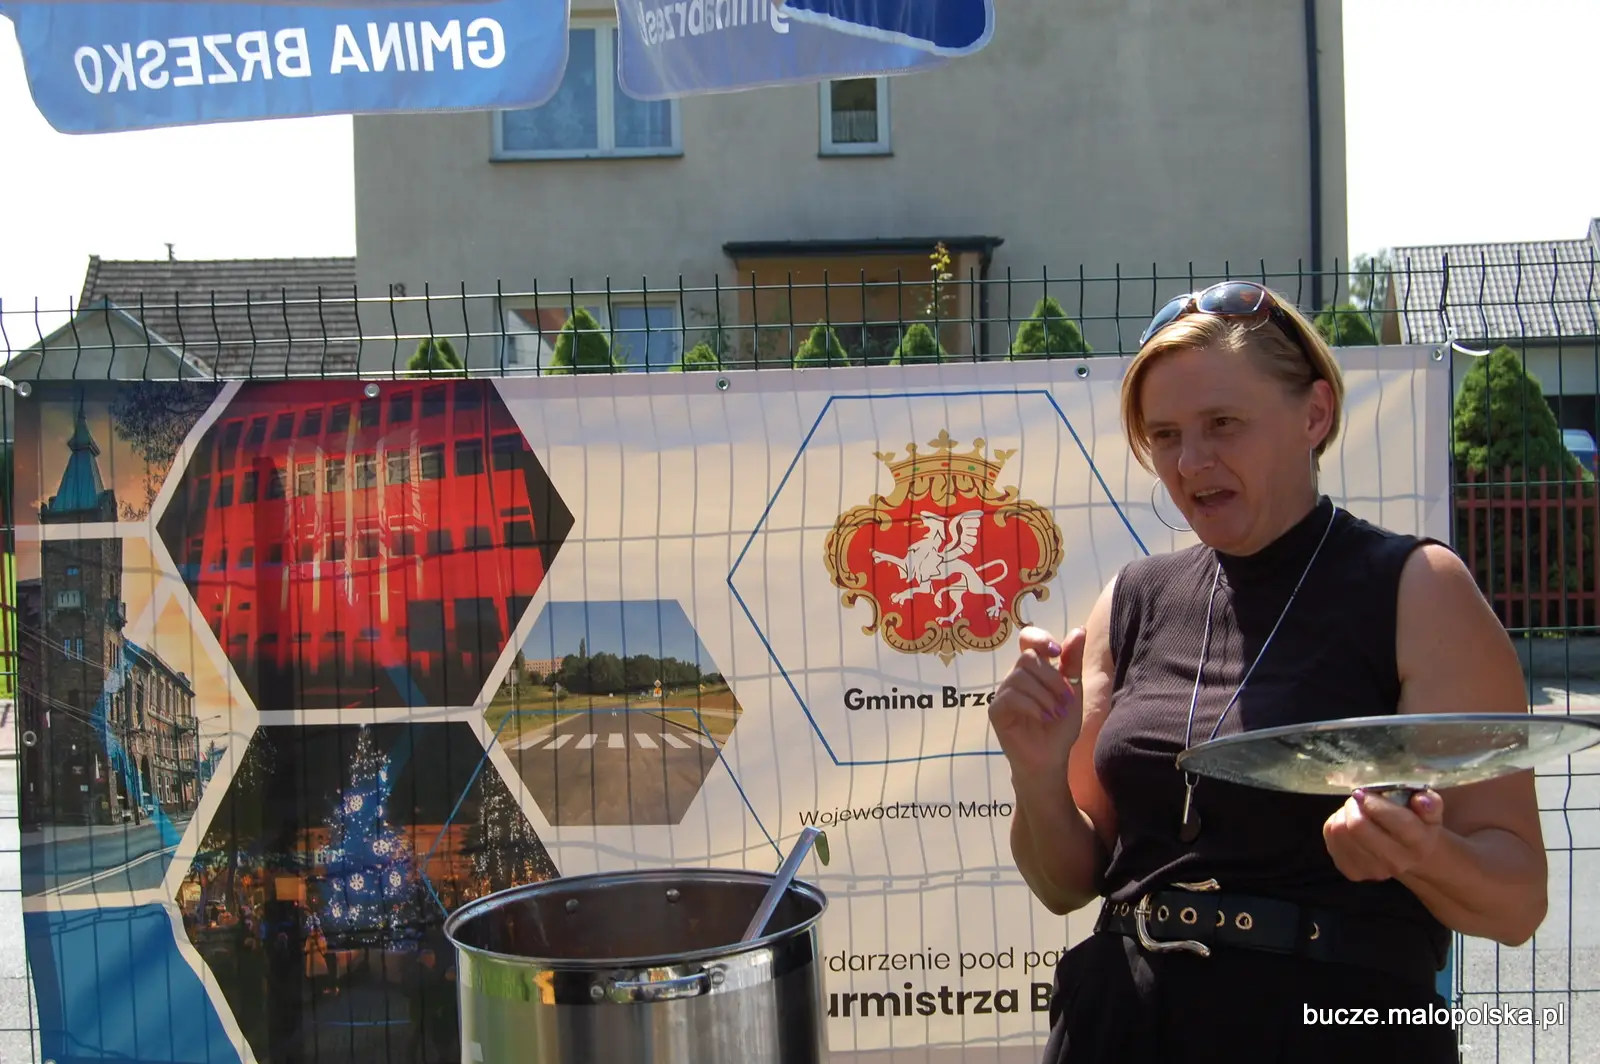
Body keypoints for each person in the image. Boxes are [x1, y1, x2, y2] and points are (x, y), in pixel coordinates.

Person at [989, 281, 1548, 1062]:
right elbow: (1064, 885)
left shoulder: (1417, 589)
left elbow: (1517, 902)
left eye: (1223, 424)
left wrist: (1420, 853)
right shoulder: (1132, 599)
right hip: (1119, 1023)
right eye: (1165, 435)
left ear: (1314, 414)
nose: (1191, 462)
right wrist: (1036, 776)